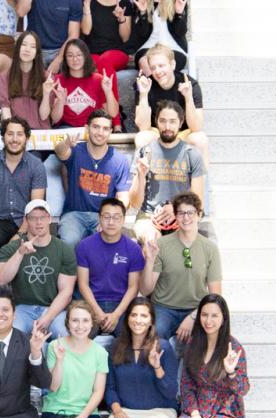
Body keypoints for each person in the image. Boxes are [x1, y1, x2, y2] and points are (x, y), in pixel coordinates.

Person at [141, 192, 222, 340]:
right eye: (181, 213)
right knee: (156, 334)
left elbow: (215, 295)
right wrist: (149, 260)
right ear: (176, 216)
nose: (186, 218)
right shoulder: (161, 244)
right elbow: (146, 289)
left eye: (190, 213)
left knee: (202, 337)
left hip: (195, 308)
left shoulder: (210, 248)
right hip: (164, 307)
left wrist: (193, 316)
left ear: (199, 214)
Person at [0, 201, 78, 338]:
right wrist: (20, 253)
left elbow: (66, 292)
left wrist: (47, 318)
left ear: (50, 219)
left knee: (64, 334)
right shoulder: (11, 248)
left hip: (53, 309)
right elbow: (1, 279)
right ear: (26, 220)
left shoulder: (64, 249)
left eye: (43, 217)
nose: (38, 222)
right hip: (22, 309)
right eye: (33, 218)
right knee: (11, 335)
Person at [129, 104, 208, 243]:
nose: (167, 127)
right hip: (149, 216)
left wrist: (177, 209)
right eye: (163, 121)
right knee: (152, 239)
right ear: (156, 122)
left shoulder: (192, 154)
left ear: (180, 123)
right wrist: (141, 176)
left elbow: (198, 201)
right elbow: (135, 204)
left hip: (182, 213)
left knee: (182, 239)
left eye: (172, 121)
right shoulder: (144, 152)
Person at [55, 110, 133, 242]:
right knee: (68, 242)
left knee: (104, 244)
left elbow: (123, 197)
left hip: (103, 215)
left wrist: (111, 218)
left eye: (105, 128)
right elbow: (60, 152)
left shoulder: (119, 160)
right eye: (96, 127)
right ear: (87, 128)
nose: (100, 133)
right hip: (74, 214)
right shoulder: (77, 150)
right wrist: (66, 143)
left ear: (110, 131)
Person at [0, 117, 47, 245]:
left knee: (24, 247)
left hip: (27, 221)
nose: (14, 139)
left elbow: (36, 207)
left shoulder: (36, 165)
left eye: (19, 134)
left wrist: (20, 234)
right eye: (10, 134)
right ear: (3, 138)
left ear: (26, 139)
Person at [74, 197, 143, 339]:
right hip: (91, 303)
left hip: (121, 304)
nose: (111, 222)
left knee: (129, 341)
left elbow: (133, 287)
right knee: (79, 336)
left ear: (123, 220)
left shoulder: (133, 249)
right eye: (107, 217)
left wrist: (116, 315)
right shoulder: (84, 246)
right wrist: (97, 312)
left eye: (117, 217)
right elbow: (83, 284)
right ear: (99, 218)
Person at [132, 46, 206, 153]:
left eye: (161, 66)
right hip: (158, 133)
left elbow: (196, 127)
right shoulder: (145, 86)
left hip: (183, 133)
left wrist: (188, 98)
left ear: (172, 65)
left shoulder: (190, 84)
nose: (157, 71)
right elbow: (143, 127)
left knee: (200, 139)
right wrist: (143, 94)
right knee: (141, 138)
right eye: (153, 68)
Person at [128, 0, 191, 75]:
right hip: (148, 46)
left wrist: (179, 14)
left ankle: (149, 92)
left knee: (163, 64)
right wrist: (143, 14)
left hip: (174, 48)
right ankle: (154, 92)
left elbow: (180, 32)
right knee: (146, 63)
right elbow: (141, 34)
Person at [81, 0, 137, 75]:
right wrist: (86, 5)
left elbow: (125, 38)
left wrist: (121, 18)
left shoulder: (124, 2)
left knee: (104, 62)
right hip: (93, 52)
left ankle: (111, 94)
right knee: (96, 65)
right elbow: (86, 31)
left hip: (117, 52)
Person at [50, 38, 117, 130]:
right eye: (70, 55)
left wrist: (108, 91)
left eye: (79, 55)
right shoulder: (58, 80)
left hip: (91, 128)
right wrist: (60, 101)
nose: (75, 59)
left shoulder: (98, 80)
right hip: (66, 128)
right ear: (65, 59)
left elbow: (113, 113)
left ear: (85, 56)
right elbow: (55, 118)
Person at [0, 30, 53, 130]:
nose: (27, 49)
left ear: (37, 52)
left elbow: (44, 116)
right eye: (24, 45)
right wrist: (14, 133)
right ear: (17, 48)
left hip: (40, 132)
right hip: (17, 132)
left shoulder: (46, 78)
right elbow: (5, 111)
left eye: (32, 47)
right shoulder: (4, 77)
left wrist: (46, 94)